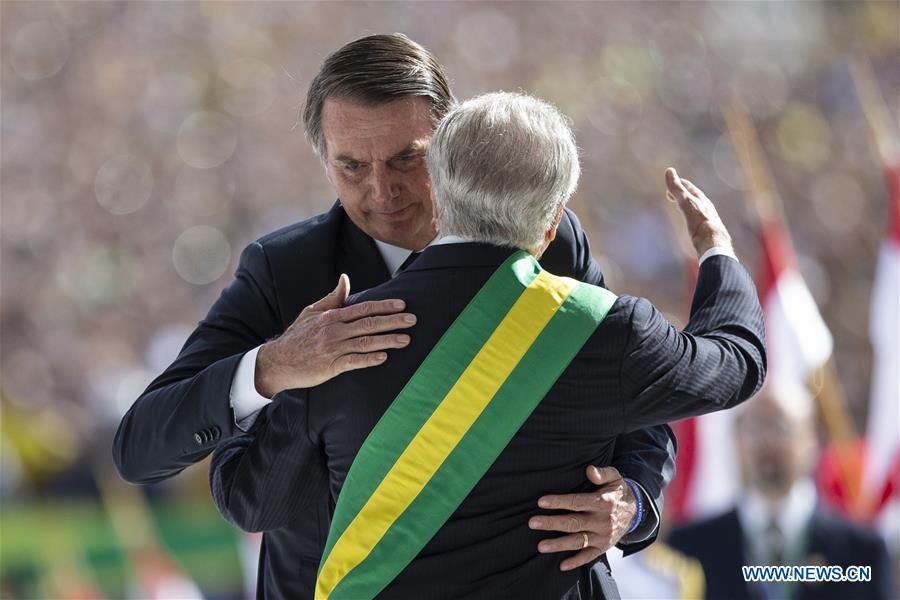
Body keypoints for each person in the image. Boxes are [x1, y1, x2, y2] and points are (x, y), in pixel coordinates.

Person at [113, 33, 675, 594]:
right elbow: (141, 447)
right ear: (323, 160)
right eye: (352, 166)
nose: (383, 190)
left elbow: (639, 402)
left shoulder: (547, 238)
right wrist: (273, 366)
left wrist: (631, 500)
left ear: (454, 142)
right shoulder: (285, 270)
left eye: (408, 158)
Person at [210, 91, 766, 599]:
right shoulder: (601, 328)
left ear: (438, 194)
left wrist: (272, 368)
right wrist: (716, 251)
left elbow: (249, 498)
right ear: (552, 225)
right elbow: (739, 360)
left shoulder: (338, 339)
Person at [668, 382, 894, 600]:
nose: (767, 442)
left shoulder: (862, 552)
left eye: (781, 426)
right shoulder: (688, 546)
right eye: (755, 428)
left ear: (812, 438)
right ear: (736, 441)